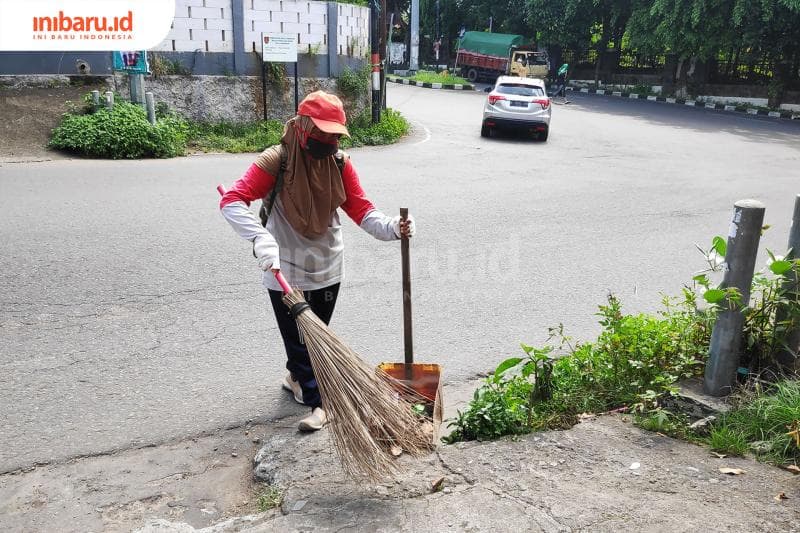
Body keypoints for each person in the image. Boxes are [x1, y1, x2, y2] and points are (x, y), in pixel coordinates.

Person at [219, 91, 415, 432]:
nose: (329, 142)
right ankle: (319, 403)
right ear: (302, 127)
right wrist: (261, 238)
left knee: (315, 333)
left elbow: (361, 209)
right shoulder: (276, 159)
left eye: (334, 135)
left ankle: (295, 377)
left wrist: (393, 227)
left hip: (328, 266)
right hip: (284, 267)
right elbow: (233, 201)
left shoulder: (339, 163)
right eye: (321, 133)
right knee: (300, 341)